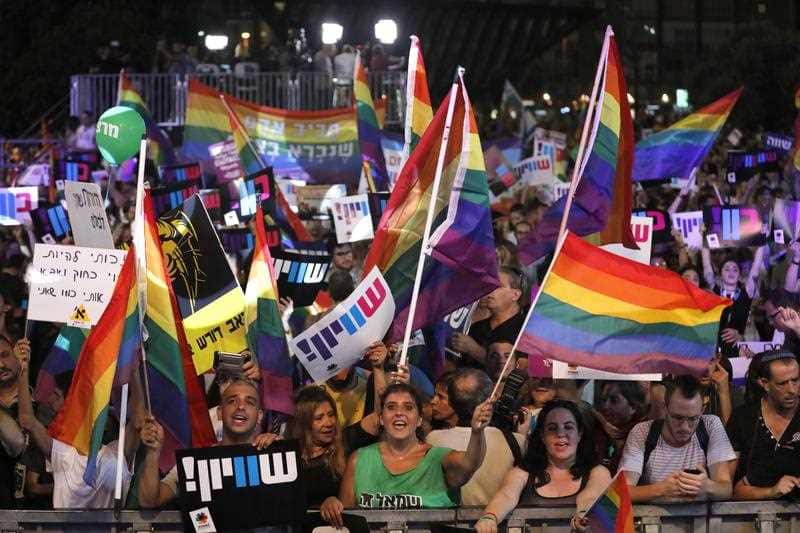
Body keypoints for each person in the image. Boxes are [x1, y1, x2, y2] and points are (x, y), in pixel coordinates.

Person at [15, 338, 144, 508]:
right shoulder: (63, 454)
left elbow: (138, 420)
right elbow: (27, 420)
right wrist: (22, 368)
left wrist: (133, 372)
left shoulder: (117, 453)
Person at [339, 382, 493, 509]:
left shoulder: (437, 459)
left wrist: (477, 432)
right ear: (380, 418)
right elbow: (348, 522)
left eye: (408, 407)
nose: (399, 413)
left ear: (419, 419)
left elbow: (470, 463)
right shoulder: (359, 460)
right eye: (391, 407)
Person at [475, 400, 611, 533]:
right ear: (542, 436)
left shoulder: (598, 472)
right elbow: (506, 495)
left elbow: (592, 495)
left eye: (568, 427)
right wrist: (490, 517)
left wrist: (583, 514)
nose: (560, 434)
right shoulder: (522, 473)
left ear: (580, 434)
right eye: (552, 428)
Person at [138, 378, 275, 508]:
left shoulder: (274, 456)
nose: (240, 406)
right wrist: (153, 453)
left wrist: (283, 453)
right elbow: (149, 501)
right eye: (232, 401)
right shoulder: (196, 462)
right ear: (220, 412)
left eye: (249, 402)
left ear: (260, 416)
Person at [620, 375, 735, 502]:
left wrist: (707, 487)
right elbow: (622, 491)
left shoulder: (710, 425)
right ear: (666, 408)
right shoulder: (643, 432)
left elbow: (726, 489)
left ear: (702, 410)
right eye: (678, 418)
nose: (685, 427)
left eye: (692, 419)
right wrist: (661, 490)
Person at [426, 368, 526, 506]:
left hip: (454, 524)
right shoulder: (517, 441)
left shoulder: (433, 439)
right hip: (497, 523)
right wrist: (523, 436)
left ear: (452, 402)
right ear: (493, 396)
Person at [727, 350, 800, 500]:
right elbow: (728, 488)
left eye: (796, 380)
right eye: (782, 383)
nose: (792, 390)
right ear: (764, 384)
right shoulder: (742, 418)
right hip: (746, 518)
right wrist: (771, 492)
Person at [452, 267, 527, 367]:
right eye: (488, 285)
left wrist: (475, 351)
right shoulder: (476, 328)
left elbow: (522, 369)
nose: (489, 290)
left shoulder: (527, 329)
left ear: (516, 294)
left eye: (498, 286)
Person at [596, 381, 649, 471]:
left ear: (633, 407)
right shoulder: (598, 430)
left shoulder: (643, 437)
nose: (605, 406)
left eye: (614, 400)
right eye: (604, 400)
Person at [0, 337, 26, 508]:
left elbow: (19, 443)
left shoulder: (42, 398)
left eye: (5, 355)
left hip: (39, 509)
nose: (1, 365)